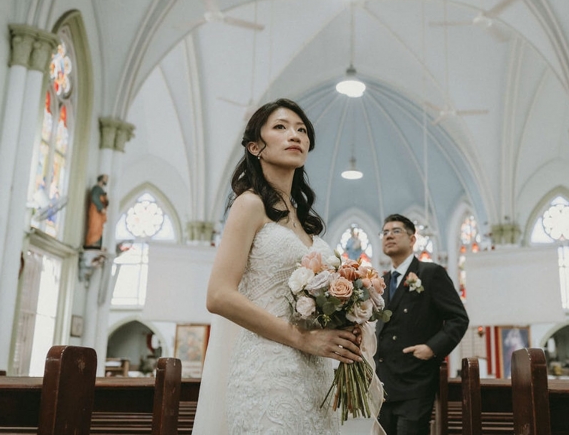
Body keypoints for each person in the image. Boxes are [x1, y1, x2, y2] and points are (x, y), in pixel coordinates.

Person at [192, 98, 362, 434]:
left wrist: (348, 317)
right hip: (268, 372)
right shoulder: (249, 204)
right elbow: (218, 295)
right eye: (281, 127)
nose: (295, 135)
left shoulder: (305, 221)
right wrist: (301, 339)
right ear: (256, 146)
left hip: (317, 375)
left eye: (301, 130)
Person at [375, 214, 469, 435]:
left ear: (412, 239)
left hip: (415, 381)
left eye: (396, 231)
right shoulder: (383, 281)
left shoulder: (430, 273)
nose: (389, 235)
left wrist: (432, 348)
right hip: (384, 383)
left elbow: (458, 318)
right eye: (385, 232)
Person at [84, 174, 109, 249]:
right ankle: (92, 243)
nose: (107, 180)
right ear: (101, 179)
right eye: (106, 178)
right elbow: (94, 197)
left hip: (99, 214)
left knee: (99, 228)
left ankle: (96, 243)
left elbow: (104, 200)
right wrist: (101, 207)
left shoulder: (101, 190)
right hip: (96, 212)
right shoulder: (96, 188)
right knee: (95, 227)